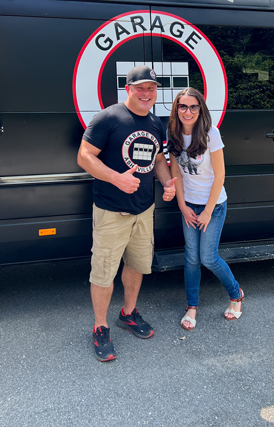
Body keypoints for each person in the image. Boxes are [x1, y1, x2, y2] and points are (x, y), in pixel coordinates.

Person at [77, 65, 176, 361]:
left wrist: (166, 181)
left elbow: (158, 159)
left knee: (136, 265)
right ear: (128, 89)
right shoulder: (109, 118)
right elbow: (84, 156)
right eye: (140, 88)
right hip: (111, 211)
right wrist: (116, 177)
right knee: (104, 272)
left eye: (151, 88)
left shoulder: (157, 123)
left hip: (144, 210)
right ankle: (100, 326)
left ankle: (128, 314)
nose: (146, 93)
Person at [167, 87, 243, 330]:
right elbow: (175, 171)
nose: (187, 111)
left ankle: (236, 295)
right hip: (189, 203)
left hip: (214, 204)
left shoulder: (211, 134)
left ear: (200, 110)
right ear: (176, 109)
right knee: (191, 257)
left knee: (208, 258)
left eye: (193, 107)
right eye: (182, 106)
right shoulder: (173, 133)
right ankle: (192, 306)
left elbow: (220, 175)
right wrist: (182, 205)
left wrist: (208, 211)